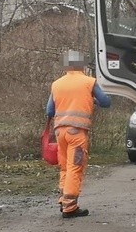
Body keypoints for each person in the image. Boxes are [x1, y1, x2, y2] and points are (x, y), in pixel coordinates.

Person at [46, 50, 111, 218]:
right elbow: (106, 102)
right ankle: (70, 207)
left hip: (60, 132)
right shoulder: (89, 82)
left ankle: (63, 200)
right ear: (81, 65)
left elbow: (49, 110)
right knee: (76, 167)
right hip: (77, 133)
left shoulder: (56, 84)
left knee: (66, 167)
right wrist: (92, 99)